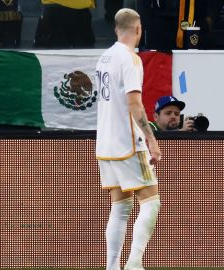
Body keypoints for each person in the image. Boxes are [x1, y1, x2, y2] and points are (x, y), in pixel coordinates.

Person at [95, 8, 161, 270]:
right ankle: (134, 263)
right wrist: (151, 139)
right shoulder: (130, 59)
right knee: (151, 201)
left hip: (105, 143)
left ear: (115, 29)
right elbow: (134, 103)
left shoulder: (104, 56)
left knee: (121, 207)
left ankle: (112, 267)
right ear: (138, 29)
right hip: (128, 140)